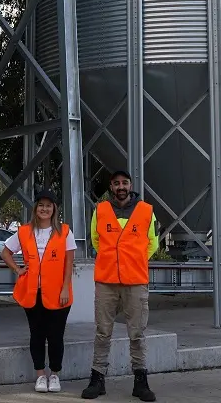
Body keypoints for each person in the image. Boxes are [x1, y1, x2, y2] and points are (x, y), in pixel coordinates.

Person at [81, 170, 159, 401]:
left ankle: (141, 381)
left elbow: (152, 242)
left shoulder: (146, 211)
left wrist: (132, 261)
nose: (121, 187)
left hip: (135, 282)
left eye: (124, 183)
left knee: (137, 333)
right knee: (102, 332)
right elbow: (96, 240)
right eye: (116, 184)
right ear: (111, 187)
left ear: (130, 185)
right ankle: (97, 380)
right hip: (106, 282)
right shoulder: (101, 210)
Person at [0, 188, 78, 393]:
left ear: (54, 209)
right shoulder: (24, 231)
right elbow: (5, 252)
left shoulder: (65, 231)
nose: (45, 209)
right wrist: (18, 269)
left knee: (55, 336)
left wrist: (65, 289)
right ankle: (40, 376)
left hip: (58, 293)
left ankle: (55, 375)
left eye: (49, 205)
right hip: (32, 291)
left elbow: (69, 263)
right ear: (36, 208)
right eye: (41, 205)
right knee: (36, 335)